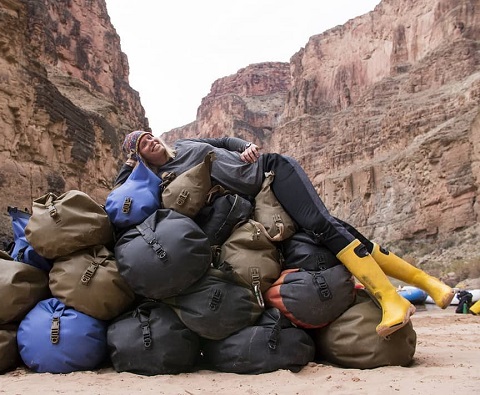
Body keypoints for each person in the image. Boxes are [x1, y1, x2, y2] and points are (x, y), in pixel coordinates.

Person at [115, 130, 455, 337]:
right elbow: (121, 193)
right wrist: (129, 166)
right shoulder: (161, 178)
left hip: (271, 171)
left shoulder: (185, 144)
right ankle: (430, 284)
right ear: (139, 158)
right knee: (339, 230)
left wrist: (245, 145)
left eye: (150, 136)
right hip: (262, 198)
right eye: (143, 145)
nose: (152, 142)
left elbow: (222, 141)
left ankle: (391, 299)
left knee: (322, 227)